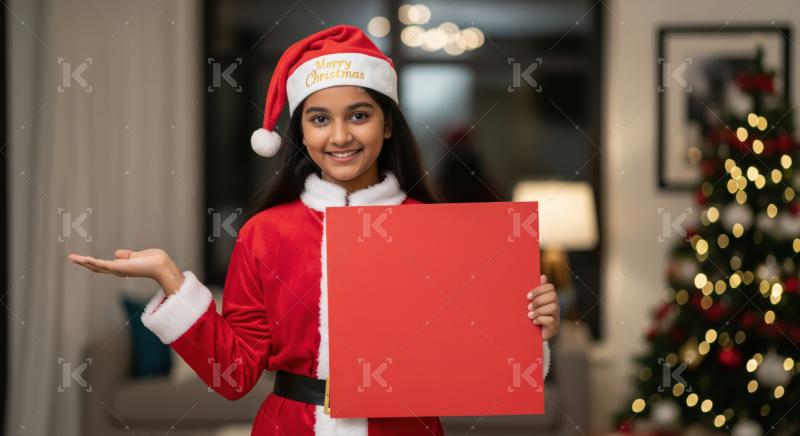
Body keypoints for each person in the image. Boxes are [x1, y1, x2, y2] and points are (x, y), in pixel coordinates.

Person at [68, 24, 561, 436]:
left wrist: (531, 330)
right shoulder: (265, 234)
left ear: (387, 124)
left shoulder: (438, 231)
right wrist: (169, 278)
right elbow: (235, 375)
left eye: (360, 116)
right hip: (291, 426)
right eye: (320, 119)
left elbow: (473, 365)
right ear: (301, 132)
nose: (340, 136)